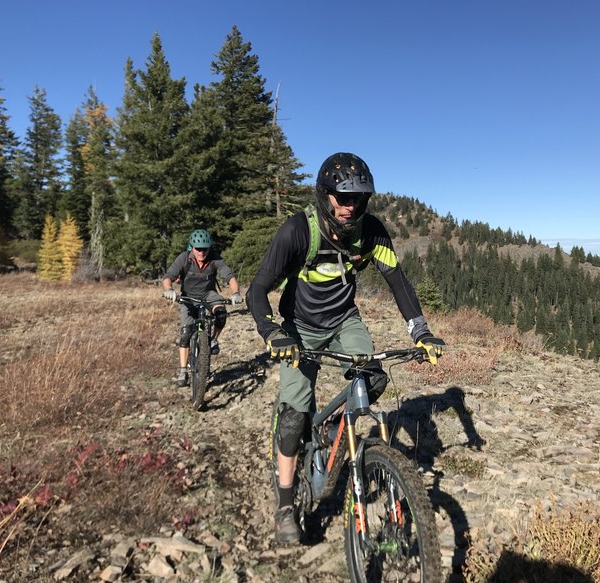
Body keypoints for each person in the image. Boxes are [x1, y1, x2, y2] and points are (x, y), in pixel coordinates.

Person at [246, 152, 445, 543]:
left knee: (371, 378)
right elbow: (257, 289)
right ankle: (286, 504)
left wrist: (420, 331)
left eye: (358, 198)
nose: (349, 205)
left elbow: (397, 280)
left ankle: (338, 427)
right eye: (342, 196)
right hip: (298, 329)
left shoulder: (371, 231)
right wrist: (271, 331)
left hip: (344, 321)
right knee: (293, 418)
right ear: (325, 195)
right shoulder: (297, 231)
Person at [162, 229, 242, 387]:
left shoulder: (215, 259)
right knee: (185, 333)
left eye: (205, 248)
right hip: (188, 297)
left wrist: (236, 292)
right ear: (191, 247)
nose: (201, 252)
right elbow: (168, 277)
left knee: (220, 313)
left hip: (208, 295)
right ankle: (183, 371)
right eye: (198, 249)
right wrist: (169, 290)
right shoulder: (184, 258)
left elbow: (229, 276)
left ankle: (212, 340)